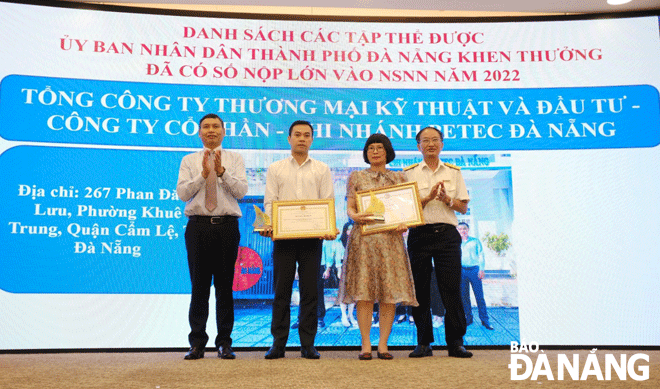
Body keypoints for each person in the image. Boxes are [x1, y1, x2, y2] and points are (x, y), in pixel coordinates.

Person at [260, 120, 337, 360]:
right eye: (297, 135)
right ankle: (278, 343)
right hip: (283, 237)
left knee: (311, 290)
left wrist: (328, 226)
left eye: (307, 135)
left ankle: (308, 344)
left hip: (312, 238)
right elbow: (270, 201)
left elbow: (328, 200)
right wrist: (269, 224)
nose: (302, 138)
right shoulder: (276, 168)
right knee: (281, 290)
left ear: (312, 139)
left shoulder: (322, 169)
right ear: (289, 139)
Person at [339, 133, 418, 361]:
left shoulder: (400, 177)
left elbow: (407, 212)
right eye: (371, 148)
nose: (375, 151)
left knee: (388, 292)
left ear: (387, 152)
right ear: (366, 153)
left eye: (379, 148)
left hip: (391, 241)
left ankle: (383, 344)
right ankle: (365, 343)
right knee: (364, 293)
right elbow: (351, 208)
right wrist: (356, 216)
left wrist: (405, 223)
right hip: (363, 239)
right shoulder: (355, 176)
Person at [176, 113, 248, 360]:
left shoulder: (235, 159)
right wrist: (203, 174)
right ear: (199, 132)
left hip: (227, 227)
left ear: (224, 131)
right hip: (197, 227)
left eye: (216, 126)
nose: (211, 131)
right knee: (199, 287)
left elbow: (240, 191)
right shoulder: (189, 160)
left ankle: (225, 343)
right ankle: (197, 343)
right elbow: (183, 194)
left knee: (225, 287)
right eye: (206, 127)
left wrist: (221, 172)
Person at [405, 126, 473, 358]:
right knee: (420, 290)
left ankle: (455, 342)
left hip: (447, 235)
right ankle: (424, 342)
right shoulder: (409, 173)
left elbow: (463, 207)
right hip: (419, 234)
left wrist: (447, 199)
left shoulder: (454, 172)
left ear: (442, 144)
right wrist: (427, 199)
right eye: (426, 141)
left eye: (435, 140)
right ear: (419, 146)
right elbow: (405, 210)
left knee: (451, 288)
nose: (431, 144)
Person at [458, 222, 494, 330]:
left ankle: (485, 320)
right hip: (462, 271)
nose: (462, 231)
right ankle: (468, 318)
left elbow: (481, 255)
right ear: (457, 230)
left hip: (474, 270)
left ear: (468, 229)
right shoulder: (456, 243)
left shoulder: (475, 241)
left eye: (464, 228)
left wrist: (481, 269)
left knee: (479, 296)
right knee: (464, 297)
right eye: (460, 229)